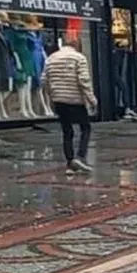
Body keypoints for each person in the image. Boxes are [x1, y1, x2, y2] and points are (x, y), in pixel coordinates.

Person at [41, 34, 97, 173]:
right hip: (75, 99)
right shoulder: (79, 58)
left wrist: (51, 97)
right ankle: (80, 157)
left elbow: (44, 80)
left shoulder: (51, 58)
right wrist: (92, 99)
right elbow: (84, 81)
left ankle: (70, 163)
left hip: (59, 100)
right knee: (85, 128)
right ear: (76, 45)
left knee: (67, 131)